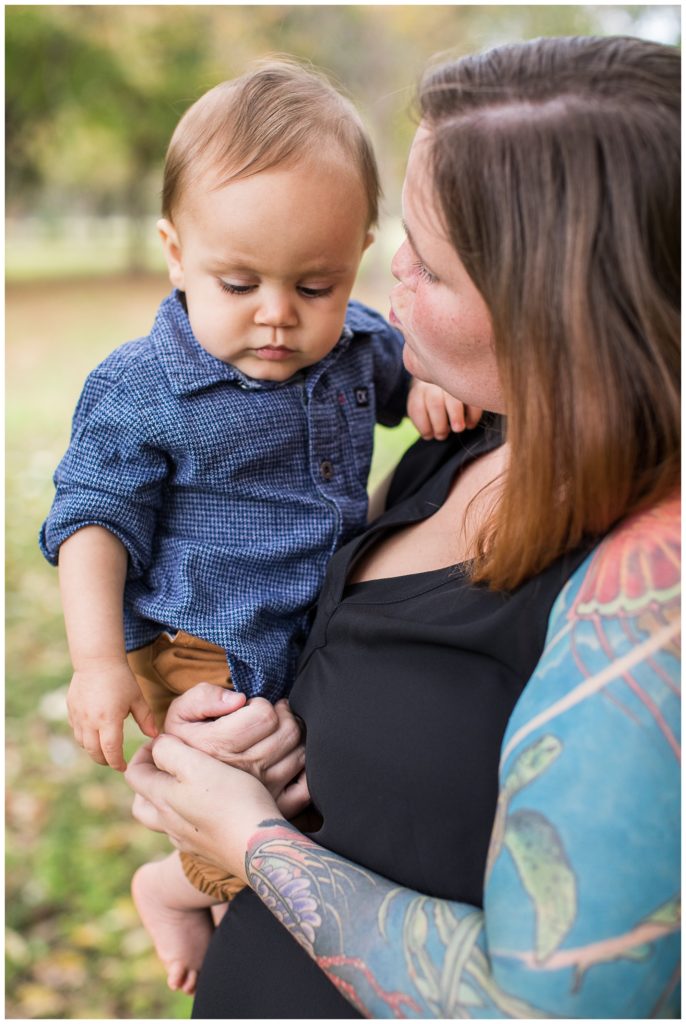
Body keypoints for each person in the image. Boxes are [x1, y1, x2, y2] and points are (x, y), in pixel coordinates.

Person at [125, 34, 680, 1019]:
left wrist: (246, 838)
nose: (384, 288)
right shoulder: (469, 432)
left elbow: (553, 1009)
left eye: (426, 265)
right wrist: (231, 744)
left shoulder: (644, 599)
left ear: (557, 311)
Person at [38, 60, 472, 994]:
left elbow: (410, 381)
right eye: (238, 283)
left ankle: (204, 889)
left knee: (307, 790)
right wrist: (97, 662)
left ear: (357, 253)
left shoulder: (356, 343)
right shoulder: (143, 386)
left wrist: (432, 385)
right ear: (175, 254)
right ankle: (178, 885)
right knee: (235, 782)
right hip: (194, 644)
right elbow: (91, 521)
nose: (277, 316)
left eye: (314, 285)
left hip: (310, 626)